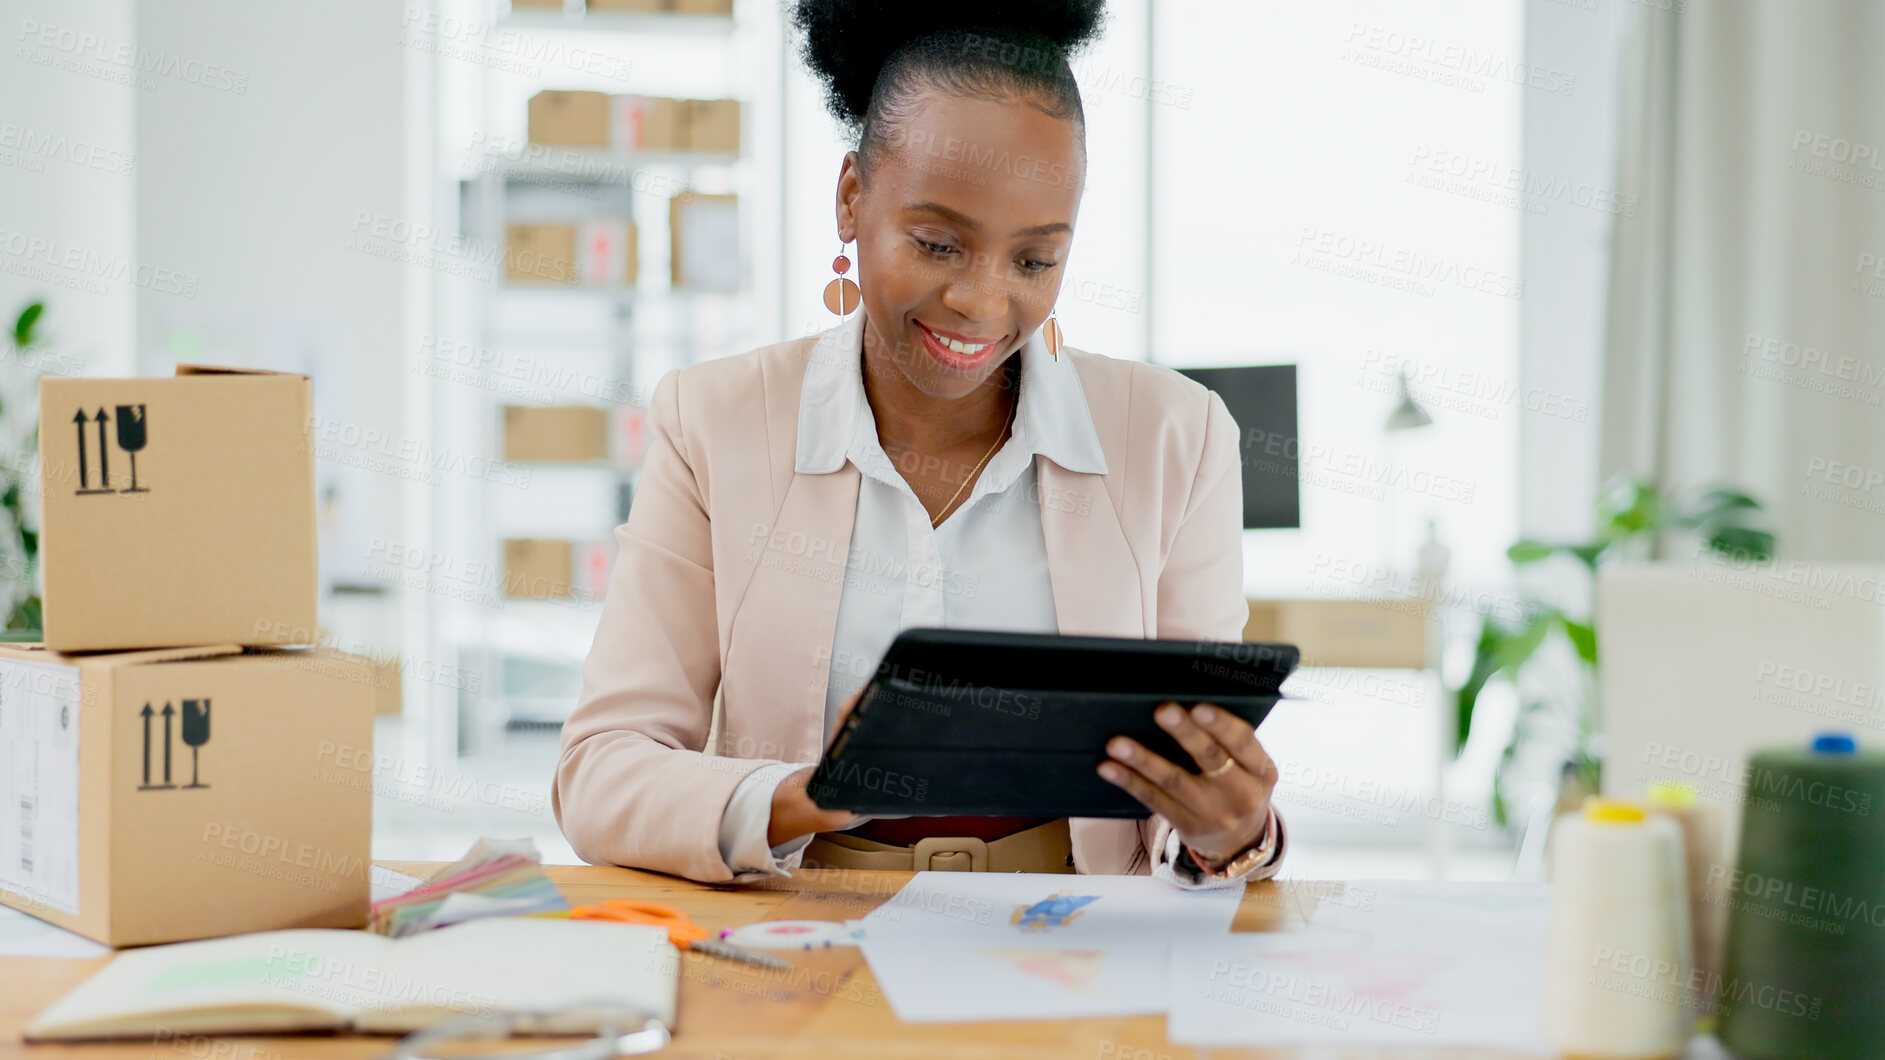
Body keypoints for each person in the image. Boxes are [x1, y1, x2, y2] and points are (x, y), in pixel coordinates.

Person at [553, 0, 1288, 888]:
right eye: (938, 243)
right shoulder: (713, 420)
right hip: (806, 937)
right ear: (851, 198)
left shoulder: (1176, 435)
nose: (981, 302)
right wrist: (813, 794)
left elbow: (1193, 806)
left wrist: (1232, 829)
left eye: (1032, 261)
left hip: (1070, 941)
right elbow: (600, 772)